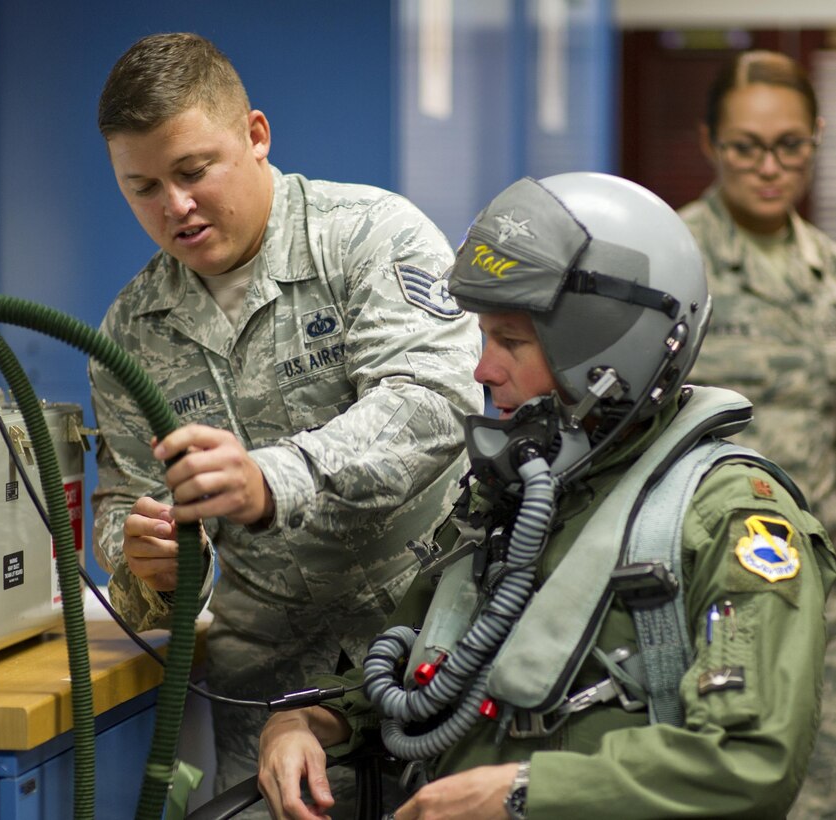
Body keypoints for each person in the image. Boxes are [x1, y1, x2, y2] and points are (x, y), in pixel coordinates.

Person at [257, 172, 836, 819]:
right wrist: (309, 721)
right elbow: (416, 665)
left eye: (511, 341)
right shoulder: (513, 492)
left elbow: (748, 762)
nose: (483, 370)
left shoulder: (727, 515)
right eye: (484, 338)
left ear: (610, 355)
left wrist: (523, 793)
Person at [88, 31, 483, 803]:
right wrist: (142, 557)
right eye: (142, 187)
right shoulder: (130, 331)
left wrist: (273, 479)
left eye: (193, 171)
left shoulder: (367, 235)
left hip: (429, 656)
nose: (175, 206)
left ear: (256, 136)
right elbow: (121, 502)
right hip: (268, 697)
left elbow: (436, 402)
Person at [677, 50, 836, 819]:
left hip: (822, 593)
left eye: (789, 145)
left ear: (815, 139)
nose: (769, 168)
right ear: (709, 143)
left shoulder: (826, 269)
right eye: (746, 146)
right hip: (711, 590)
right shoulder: (672, 266)